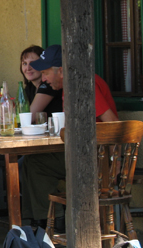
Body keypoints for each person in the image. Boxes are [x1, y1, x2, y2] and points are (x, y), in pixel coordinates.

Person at [21, 44, 119, 227]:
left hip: (97, 158)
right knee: (30, 160)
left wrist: (116, 163)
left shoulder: (83, 84)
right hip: (86, 154)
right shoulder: (70, 86)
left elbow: (112, 123)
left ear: (61, 70)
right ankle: (40, 220)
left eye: (46, 73)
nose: (43, 79)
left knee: (35, 163)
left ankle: (52, 222)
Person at [19, 45, 63, 120]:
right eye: (25, 63)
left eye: (33, 63)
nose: (28, 68)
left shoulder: (50, 84)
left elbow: (27, 118)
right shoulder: (30, 87)